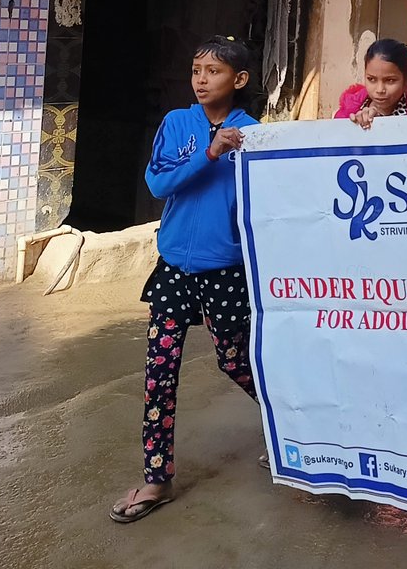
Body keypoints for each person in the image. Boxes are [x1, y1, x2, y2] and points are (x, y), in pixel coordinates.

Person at [110, 35, 262, 522]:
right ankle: (157, 479)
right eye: (197, 70)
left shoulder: (255, 134)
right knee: (159, 373)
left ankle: (294, 429)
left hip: (226, 270)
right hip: (174, 267)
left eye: (213, 71)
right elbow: (158, 183)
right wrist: (209, 153)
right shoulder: (177, 123)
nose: (201, 80)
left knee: (236, 361)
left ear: (238, 80)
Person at [334, 38, 407, 127]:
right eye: (371, 79)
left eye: (390, 80)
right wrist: (355, 128)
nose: (380, 90)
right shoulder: (348, 113)